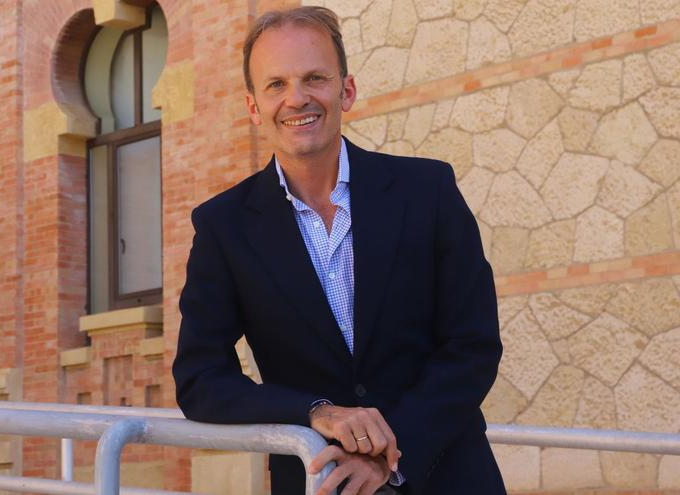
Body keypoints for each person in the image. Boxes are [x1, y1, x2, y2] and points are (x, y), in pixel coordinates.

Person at [172, 6, 505, 495]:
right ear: (252, 106)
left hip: (446, 477)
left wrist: (392, 455)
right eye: (276, 84)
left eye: (314, 78)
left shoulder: (427, 190)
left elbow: (473, 346)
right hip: (320, 483)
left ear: (346, 90)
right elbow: (200, 378)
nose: (297, 98)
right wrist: (315, 411)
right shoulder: (223, 226)